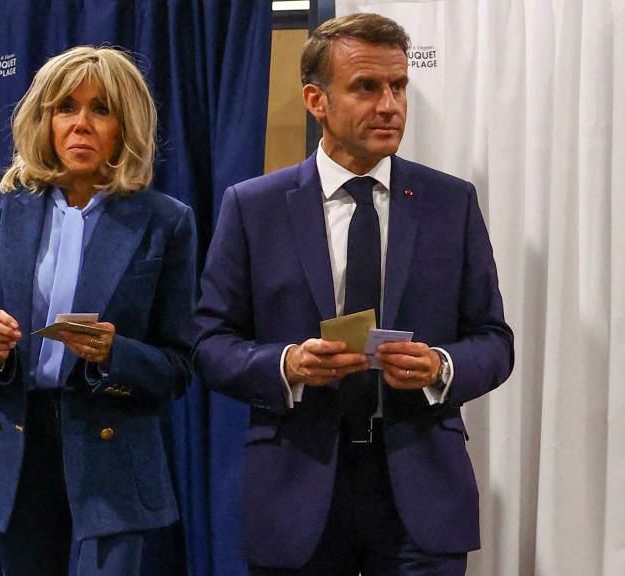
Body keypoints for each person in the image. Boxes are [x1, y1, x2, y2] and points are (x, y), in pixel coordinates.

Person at [194, 13, 514, 576]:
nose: (389, 104)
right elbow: (210, 344)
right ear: (316, 100)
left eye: (398, 86)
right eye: (366, 87)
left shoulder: (450, 203)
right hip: (297, 489)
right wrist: (287, 364)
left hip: (420, 492)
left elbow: (493, 340)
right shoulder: (253, 207)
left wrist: (440, 366)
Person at [0, 45, 196, 576]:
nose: (81, 124)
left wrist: (113, 354)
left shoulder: (165, 222)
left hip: (111, 448)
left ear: (126, 126)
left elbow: (178, 365)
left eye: (101, 110)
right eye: (66, 108)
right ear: (44, 119)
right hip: (17, 445)